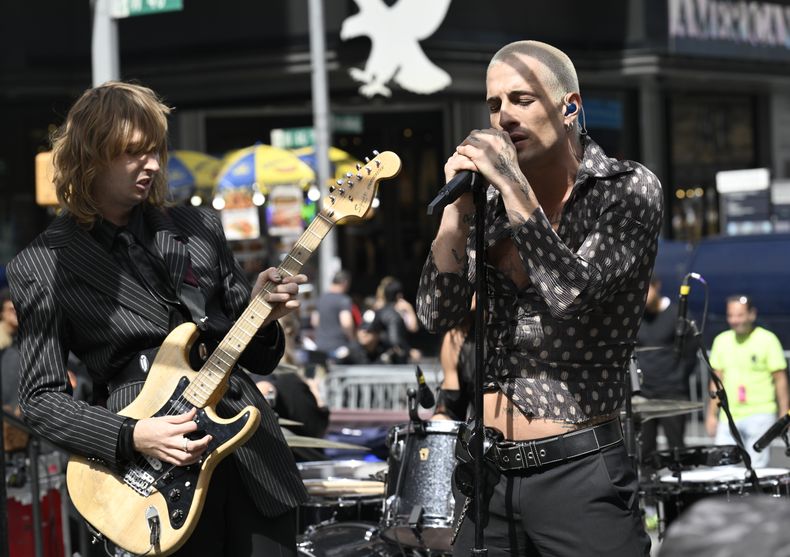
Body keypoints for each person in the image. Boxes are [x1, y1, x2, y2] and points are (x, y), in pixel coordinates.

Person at [7, 81, 309, 556]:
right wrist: (131, 436)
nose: (150, 164)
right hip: (152, 474)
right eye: (132, 153)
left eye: (155, 150)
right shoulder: (43, 264)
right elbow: (42, 400)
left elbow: (257, 357)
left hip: (249, 457)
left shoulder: (197, 228)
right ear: (89, 157)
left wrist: (262, 315)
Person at [416, 40, 663, 556]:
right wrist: (456, 213)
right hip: (488, 475)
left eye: (521, 99)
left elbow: (570, 293)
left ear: (569, 106)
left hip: (580, 472)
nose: (503, 116)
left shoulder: (625, 189)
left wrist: (510, 185)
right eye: (493, 104)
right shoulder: (486, 203)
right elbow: (437, 313)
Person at [705, 295, 789, 468]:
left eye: (740, 315)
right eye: (731, 315)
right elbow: (716, 381)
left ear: (752, 314)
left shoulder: (768, 339)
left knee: (756, 470)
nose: (734, 320)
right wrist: (711, 414)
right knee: (722, 470)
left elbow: (780, 380)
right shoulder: (721, 340)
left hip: (760, 414)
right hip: (728, 415)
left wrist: (783, 416)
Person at [636, 276, 699, 467]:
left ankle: (680, 490)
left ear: (657, 286)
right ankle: (648, 489)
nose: (644, 297)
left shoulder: (677, 315)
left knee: (676, 448)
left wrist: (678, 375)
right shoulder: (638, 317)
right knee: (644, 449)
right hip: (644, 394)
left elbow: (691, 349)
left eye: (647, 290)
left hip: (672, 392)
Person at [311, 270, 356, 364]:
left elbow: (314, 321)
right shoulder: (343, 300)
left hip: (320, 346)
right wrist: (352, 340)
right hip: (338, 347)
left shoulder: (321, 298)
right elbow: (346, 323)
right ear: (345, 283)